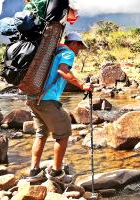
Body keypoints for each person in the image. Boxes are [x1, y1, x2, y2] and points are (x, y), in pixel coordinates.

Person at [26, 31, 93, 182]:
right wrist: (82, 85)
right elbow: (62, 71)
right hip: (47, 100)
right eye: (79, 47)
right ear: (74, 43)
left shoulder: (53, 52)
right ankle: (57, 173)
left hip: (34, 98)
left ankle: (34, 171)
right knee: (63, 134)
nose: (78, 51)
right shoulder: (68, 53)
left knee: (41, 134)